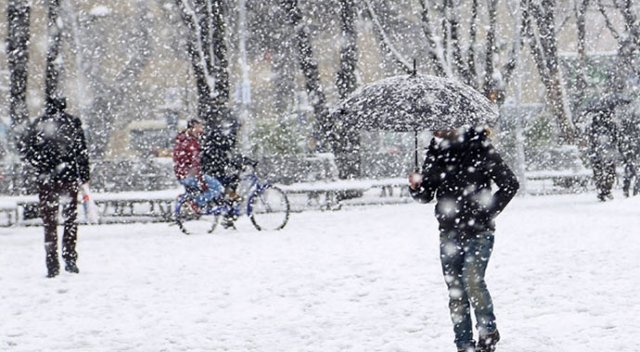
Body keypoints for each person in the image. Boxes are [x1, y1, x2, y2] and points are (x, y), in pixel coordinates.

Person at [408, 126, 519, 352]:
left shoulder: (479, 147)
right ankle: (464, 344)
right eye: (434, 126)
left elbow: (510, 184)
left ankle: (488, 332)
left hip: (479, 231)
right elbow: (426, 194)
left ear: (455, 123)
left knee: (472, 280)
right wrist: (417, 186)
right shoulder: (435, 152)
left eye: (441, 124)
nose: (436, 129)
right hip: (448, 232)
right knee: (456, 290)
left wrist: (486, 212)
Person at [20, 97, 90, 278]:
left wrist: (42, 166)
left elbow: (27, 151)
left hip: (47, 180)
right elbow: (81, 152)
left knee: (49, 222)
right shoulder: (72, 123)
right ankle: (70, 258)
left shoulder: (39, 124)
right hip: (68, 178)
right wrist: (83, 176)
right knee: (70, 219)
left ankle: (51, 262)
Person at [173, 118, 224, 213]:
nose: (201, 130)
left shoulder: (182, 140)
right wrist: (202, 182)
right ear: (192, 128)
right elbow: (194, 165)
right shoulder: (191, 143)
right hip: (189, 175)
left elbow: (181, 161)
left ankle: (192, 201)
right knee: (217, 187)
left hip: (182, 174)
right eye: (199, 127)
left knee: (211, 186)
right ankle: (195, 203)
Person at [587, 109, 620, 201]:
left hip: (597, 153)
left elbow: (590, 139)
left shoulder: (593, 125)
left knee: (599, 172)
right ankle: (606, 189)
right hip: (608, 153)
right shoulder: (612, 125)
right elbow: (616, 139)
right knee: (609, 171)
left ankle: (602, 189)